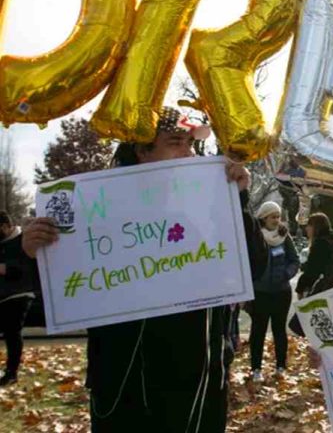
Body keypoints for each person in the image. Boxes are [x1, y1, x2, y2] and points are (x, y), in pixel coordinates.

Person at [22, 107, 262, 433]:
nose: (188, 153)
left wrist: (240, 201)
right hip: (122, 381)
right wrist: (32, 252)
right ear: (141, 150)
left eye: (191, 144)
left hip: (194, 379)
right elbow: (58, 291)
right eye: (176, 142)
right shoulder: (93, 209)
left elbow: (254, 267)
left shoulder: (210, 202)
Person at [248, 200, 299, 382]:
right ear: (263, 217)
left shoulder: (284, 237)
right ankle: (255, 369)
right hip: (260, 293)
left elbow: (295, 260)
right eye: (273, 216)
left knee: (279, 330)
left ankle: (280, 366)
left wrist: (286, 274)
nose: (277, 220)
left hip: (281, 292)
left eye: (278, 216)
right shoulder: (255, 237)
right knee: (258, 331)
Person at [0, 210, 35, 386]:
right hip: (3, 295)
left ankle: (11, 372)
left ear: (6, 226)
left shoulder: (23, 240)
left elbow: (27, 266)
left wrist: (5, 268)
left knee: (12, 331)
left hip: (20, 293)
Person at [295, 213, 333, 297]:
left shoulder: (320, 244)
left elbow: (312, 272)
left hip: (325, 291)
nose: (306, 228)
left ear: (315, 227)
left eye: (309, 225)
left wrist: (300, 288)